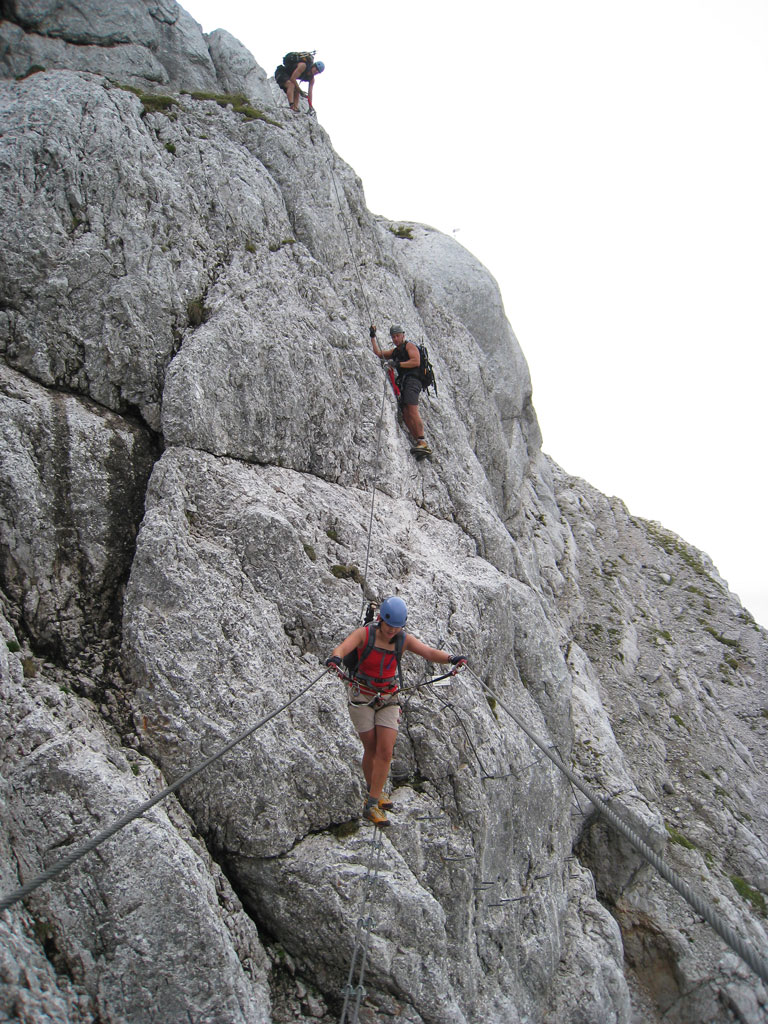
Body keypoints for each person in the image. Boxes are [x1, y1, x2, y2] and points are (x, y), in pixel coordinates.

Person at [326, 596, 467, 826]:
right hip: (362, 694)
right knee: (371, 747)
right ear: (380, 620)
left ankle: (372, 803)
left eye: (397, 627)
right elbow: (344, 647)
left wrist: (452, 659)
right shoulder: (366, 634)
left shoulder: (403, 639)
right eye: (389, 625)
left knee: (385, 749)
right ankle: (376, 790)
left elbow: (429, 653)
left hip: (389, 696)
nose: (392, 630)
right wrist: (335, 659)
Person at [371, 324, 431, 454]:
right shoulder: (396, 351)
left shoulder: (409, 346)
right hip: (406, 382)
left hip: (413, 381)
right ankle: (419, 442)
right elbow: (378, 353)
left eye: (398, 336)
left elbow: (416, 361)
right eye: (393, 337)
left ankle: (422, 441)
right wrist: (372, 336)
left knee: (412, 409)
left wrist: (398, 364)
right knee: (405, 412)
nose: (396, 339)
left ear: (403, 335)